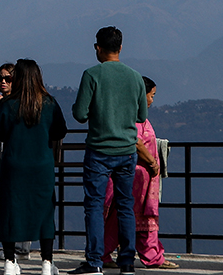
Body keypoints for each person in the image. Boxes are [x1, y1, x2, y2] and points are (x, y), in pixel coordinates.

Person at [70, 27, 147, 275]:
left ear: (98, 48)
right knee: (126, 205)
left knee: (94, 206)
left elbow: (80, 114)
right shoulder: (135, 77)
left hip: (99, 151)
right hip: (127, 151)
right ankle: (127, 263)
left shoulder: (92, 75)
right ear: (121, 48)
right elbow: (141, 115)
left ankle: (94, 262)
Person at [0, 59, 67, 275]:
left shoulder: (8, 104)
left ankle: (10, 261)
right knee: (45, 211)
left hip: (14, 163)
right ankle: (46, 262)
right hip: (42, 164)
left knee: (10, 209)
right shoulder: (49, 103)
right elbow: (60, 131)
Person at [103, 77, 175, 269]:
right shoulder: (134, 116)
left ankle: (104, 252)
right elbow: (136, 142)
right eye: (151, 96)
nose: (152, 101)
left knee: (119, 217)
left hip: (137, 176)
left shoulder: (130, 114)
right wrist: (152, 162)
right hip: (136, 175)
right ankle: (151, 256)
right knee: (137, 217)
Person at [0, 63, 33, 261]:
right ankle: (10, 247)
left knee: (16, 199)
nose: (2, 82)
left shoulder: (18, 101)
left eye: (7, 78)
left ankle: (19, 248)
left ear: (16, 80)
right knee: (2, 199)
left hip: (12, 151)